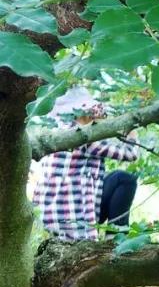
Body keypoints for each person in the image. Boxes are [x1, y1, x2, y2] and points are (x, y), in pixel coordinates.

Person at [32, 87, 139, 241]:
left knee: (118, 178)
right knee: (126, 180)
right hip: (73, 218)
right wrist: (130, 125)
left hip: (51, 214)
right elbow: (131, 153)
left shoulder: (56, 131)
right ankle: (116, 241)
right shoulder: (82, 137)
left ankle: (114, 238)